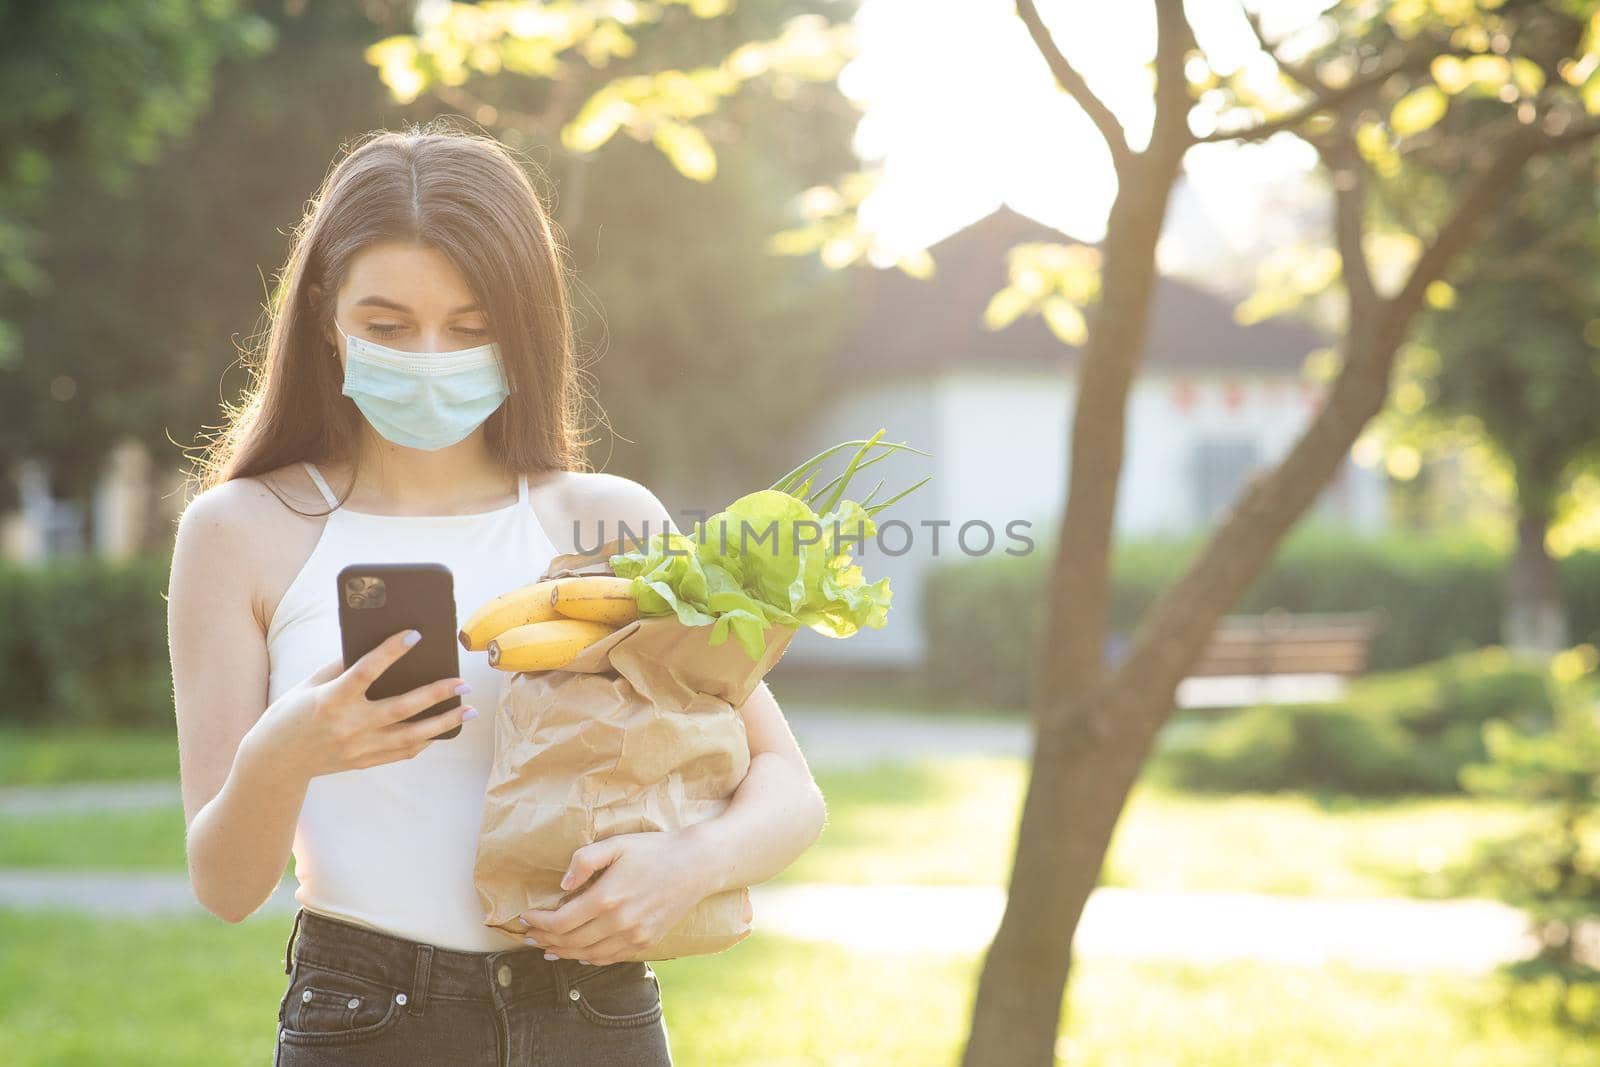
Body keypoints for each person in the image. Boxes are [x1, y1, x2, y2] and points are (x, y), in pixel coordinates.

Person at [166, 119, 828, 1065]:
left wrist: (686, 867)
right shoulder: (238, 533)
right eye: (388, 326)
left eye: (472, 329)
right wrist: (286, 753)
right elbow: (225, 887)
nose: (431, 357)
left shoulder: (605, 522)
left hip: (595, 1013)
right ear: (324, 313)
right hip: (367, 1016)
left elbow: (790, 789)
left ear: (524, 329)